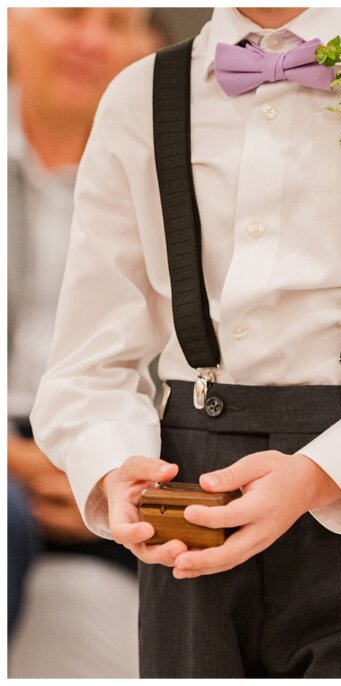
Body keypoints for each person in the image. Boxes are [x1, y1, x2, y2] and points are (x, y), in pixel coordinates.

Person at [31, 7, 341, 678]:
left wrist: (320, 476)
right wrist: (112, 465)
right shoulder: (141, 96)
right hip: (191, 494)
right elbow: (90, 359)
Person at [7, 7, 164, 638]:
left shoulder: (172, 179)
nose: (91, 40)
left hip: (117, 444)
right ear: (11, 20)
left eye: (119, 23)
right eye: (71, 12)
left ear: (150, 47)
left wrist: (101, 470)